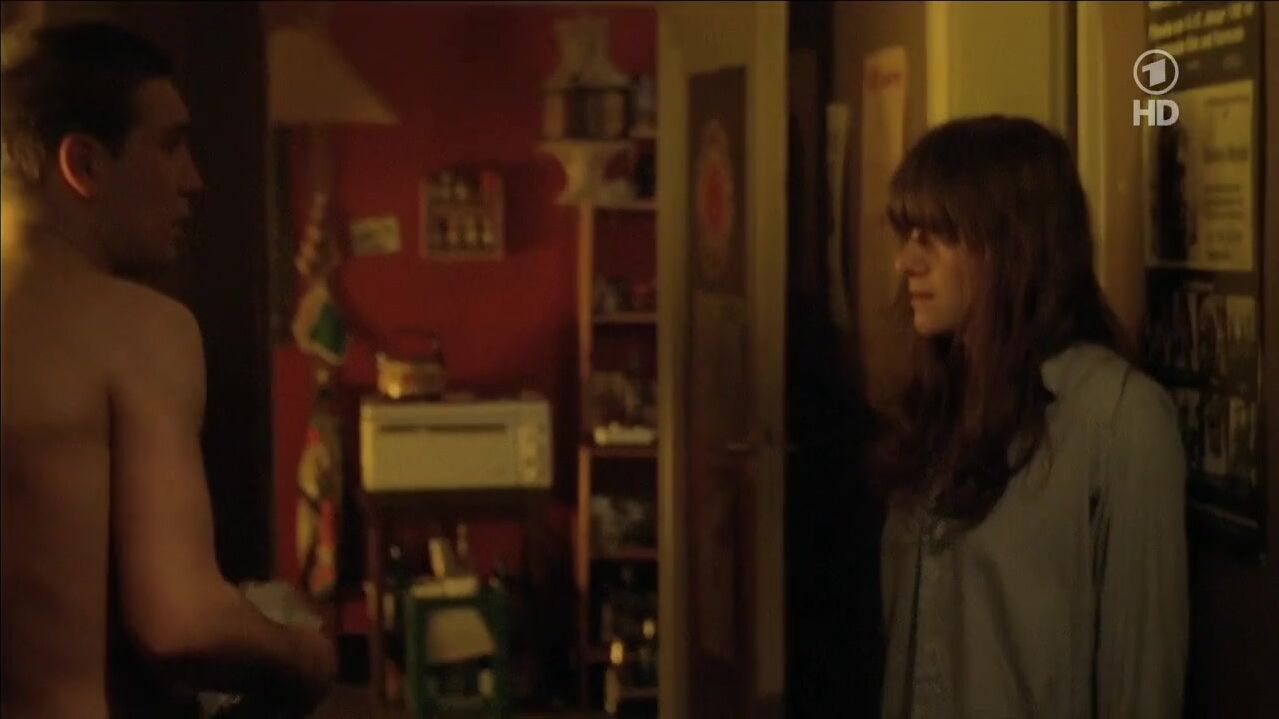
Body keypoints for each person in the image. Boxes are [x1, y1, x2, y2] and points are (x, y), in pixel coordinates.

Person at [1, 21, 336, 718]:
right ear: (84, 164)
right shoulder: (137, 328)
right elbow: (182, 620)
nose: (194, 180)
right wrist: (304, 654)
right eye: (170, 145)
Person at [872, 116, 1188, 718]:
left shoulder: (1119, 420)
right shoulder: (942, 403)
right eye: (907, 234)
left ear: (1010, 245)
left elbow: (1142, 687)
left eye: (936, 235)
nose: (906, 261)